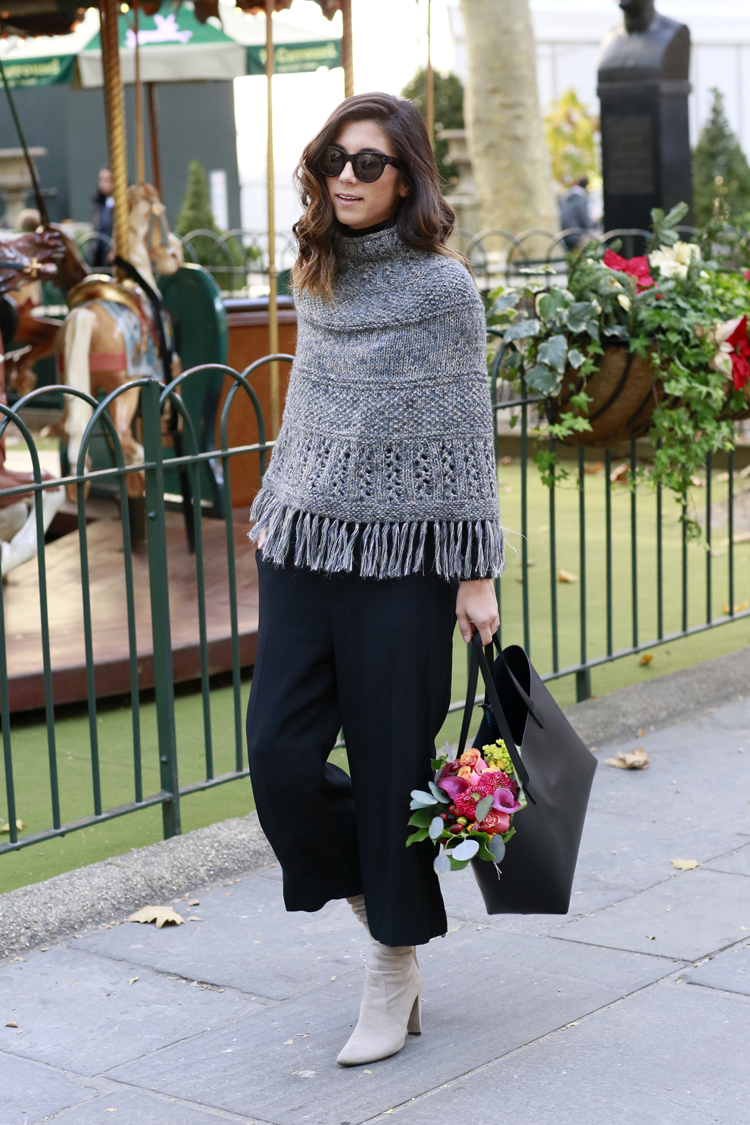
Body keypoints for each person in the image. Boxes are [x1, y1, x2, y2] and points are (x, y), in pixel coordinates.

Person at [245, 92, 503, 1068]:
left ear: (407, 180)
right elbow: (314, 410)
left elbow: (465, 434)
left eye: (369, 164)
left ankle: (392, 964)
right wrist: (282, 508)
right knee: (278, 757)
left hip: (407, 562)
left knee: (395, 764)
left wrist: (476, 575)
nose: (346, 178)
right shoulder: (317, 273)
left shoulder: (444, 292)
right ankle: (381, 900)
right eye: (335, 160)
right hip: (305, 543)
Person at [559, 176, 596, 249]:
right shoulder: (581, 199)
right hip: (575, 235)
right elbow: (585, 222)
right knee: (594, 243)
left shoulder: (565, 196)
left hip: (563, 235)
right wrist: (595, 223)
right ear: (586, 186)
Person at [90, 167, 114, 267]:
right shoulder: (100, 204)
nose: (103, 183)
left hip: (114, 256)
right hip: (100, 254)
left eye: (107, 180)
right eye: (101, 180)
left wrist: (115, 250)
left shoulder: (123, 205)